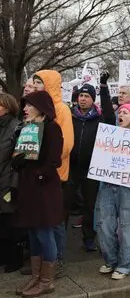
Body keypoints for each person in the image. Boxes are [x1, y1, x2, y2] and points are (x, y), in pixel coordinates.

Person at [14, 91, 64, 296]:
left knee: (44, 233)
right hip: (28, 188)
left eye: (29, 105)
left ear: (40, 107)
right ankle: (36, 277)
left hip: (44, 188)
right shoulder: (26, 128)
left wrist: (40, 174)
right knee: (33, 234)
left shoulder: (52, 128)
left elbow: (54, 160)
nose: (24, 109)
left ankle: (47, 280)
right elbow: (18, 158)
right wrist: (19, 158)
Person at [31, 70, 74, 277]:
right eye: (34, 82)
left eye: (40, 82)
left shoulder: (61, 109)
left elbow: (66, 145)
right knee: (40, 220)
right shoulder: (38, 108)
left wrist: (43, 155)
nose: (35, 85)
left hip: (56, 173)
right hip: (38, 173)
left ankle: (57, 261)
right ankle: (42, 263)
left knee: (54, 221)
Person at [95, 104, 130, 280]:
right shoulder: (109, 136)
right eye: (120, 112)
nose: (121, 114)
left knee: (127, 227)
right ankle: (111, 260)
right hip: (108, 185)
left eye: (125, 112)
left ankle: (125, 265)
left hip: (129, 188)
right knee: (104, 225)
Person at [70, 72, 115, 252]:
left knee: (90, 204)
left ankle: (89, 238)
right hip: (72, 168)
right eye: (81, 95)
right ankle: (59, 241)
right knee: (67, 202)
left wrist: (103, 88)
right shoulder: (70, 117)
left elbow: (111, 117)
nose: (82, 99)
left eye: (87, 96)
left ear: (92, 100)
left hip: (91, 168)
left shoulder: (99, 119)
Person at [0, 94, 22, 273]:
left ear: (7, 107)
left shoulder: (17, 127)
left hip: (7, 180)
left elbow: (17, 158)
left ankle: (14, 259)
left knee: (9, 223)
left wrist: (14, 185)